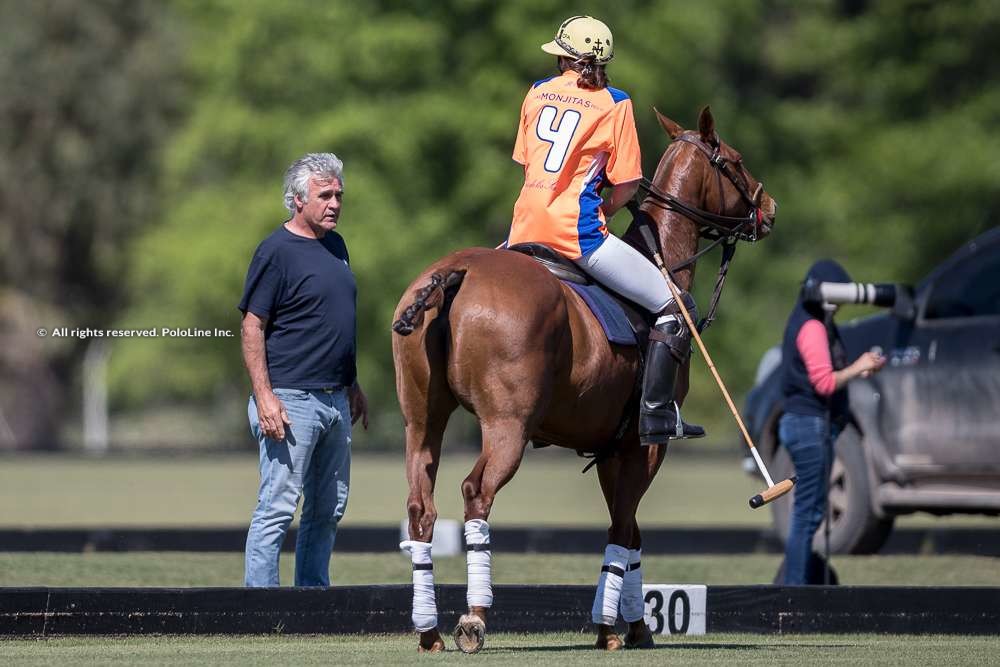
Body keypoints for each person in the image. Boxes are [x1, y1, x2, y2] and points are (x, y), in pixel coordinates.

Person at [507, 14, 702, 443]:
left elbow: (526, 162)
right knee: (675, 306)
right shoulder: (616, 102)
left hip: (522, 228)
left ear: (568, 61)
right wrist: (608, 209)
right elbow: (629, 183)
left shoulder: (537, 92)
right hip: (576, 235)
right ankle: (656, 416)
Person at [239, 152, 368, 587]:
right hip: (290, 400)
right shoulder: (275, 252)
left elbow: (334, 320)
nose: (334, 203)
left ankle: (311, 601)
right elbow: (252, 327)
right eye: (324, 195)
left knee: (327, 508)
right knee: (278, 506)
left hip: (335, 397)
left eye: (338, 195)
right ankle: (260, 607)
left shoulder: (337, 246)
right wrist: (265, 397)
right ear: (297, 200)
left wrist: (353, 383)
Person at [779, 259, 885, 585]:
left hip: (807, 424)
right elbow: (823, 383)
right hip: (808, 426)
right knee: (808, 515)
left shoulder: (811, 320)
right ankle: (794, 590)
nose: (839, 306)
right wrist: (859, 367)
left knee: (808, 514)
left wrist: (856, 370)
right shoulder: (812, 326)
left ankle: (797, 582)